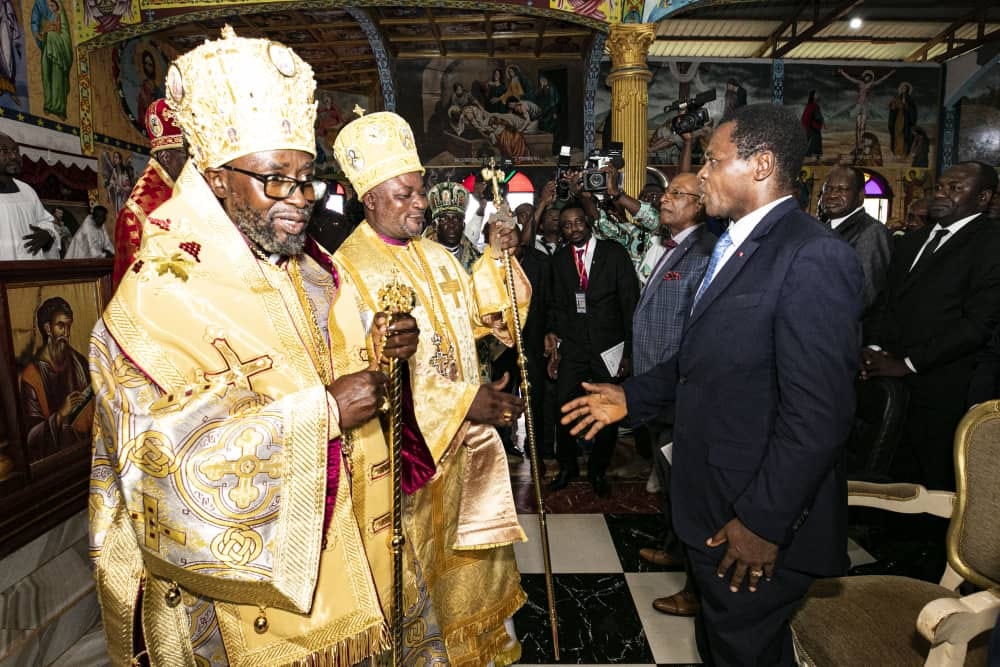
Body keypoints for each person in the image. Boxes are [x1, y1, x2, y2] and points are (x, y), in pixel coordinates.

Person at [89, 28, 427, 666]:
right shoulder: (152, 300)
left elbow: (343, 371)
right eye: (277, 180)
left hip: (349, 555)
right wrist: (319, 415)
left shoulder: (314, 270)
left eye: (306, 180)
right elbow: (150, 463)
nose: (300, 201)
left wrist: (383, 352)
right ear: (216, 180)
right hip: (236, 609)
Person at [561, 104, 863, 665]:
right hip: (716, 500)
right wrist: (633, 396)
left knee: (744, 650)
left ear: (762, 164)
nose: (700, 175)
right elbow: (703, 362)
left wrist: (763, 524)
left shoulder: (812, 256)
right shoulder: (732, 243)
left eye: (712, 160)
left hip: (754, 519)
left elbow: (819, 416)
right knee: (721, 644)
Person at [332, 110, 529, 666]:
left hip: (464, 453)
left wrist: (497, 256)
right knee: (416, 581)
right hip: (408, 464)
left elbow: (484, 323)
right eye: (406, 193)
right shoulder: (347, 270)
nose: (421, 203)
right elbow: (364, 372)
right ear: (369, 198)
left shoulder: (437, 257)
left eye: (420, 192)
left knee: (468, 572)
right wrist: (466, 401)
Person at [862, 161, 1000, 492]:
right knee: (891, 473)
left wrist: (908, 363)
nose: (942, 193)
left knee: (935, 480)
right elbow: (886, 301)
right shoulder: (912, 241)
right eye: (940, 186)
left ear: (983, 198)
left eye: (956, 188)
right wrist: (875, 349)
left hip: (946, 381)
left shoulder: (991, 244)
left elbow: (977, 325)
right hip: (891, 376)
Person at [632, 171, 716, 617]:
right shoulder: (675, 245)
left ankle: (697, 587)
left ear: (700, 204)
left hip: (678, 388)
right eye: (666, 193)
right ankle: (675, 545)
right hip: (659, 387)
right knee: (669, 481)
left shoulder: (704, 252)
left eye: (676, 194)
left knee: (688, 486)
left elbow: (693, 331)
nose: (664, 199)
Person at [545, 203, 639, 497]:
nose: (573, 229)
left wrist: (629, 351)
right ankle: (567, 466)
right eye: (567, 225)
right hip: (573, 348)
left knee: (606, 410)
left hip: (608, 348)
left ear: (588, 223)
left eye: (578, 223)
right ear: (561, 230)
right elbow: (556, 305)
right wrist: (555, 344)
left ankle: (598, 471)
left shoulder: (614, 254)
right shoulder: (559, 260)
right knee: (564, 407)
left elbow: (629, 302)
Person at [112, 98, 187, 285]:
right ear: (165, 156)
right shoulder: (135, 215)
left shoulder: (187, 191)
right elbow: (132, 287)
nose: (192, 164)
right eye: (186, 156)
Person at [20, 297, 92, 461]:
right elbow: (31, 438)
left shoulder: (79, 363)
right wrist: (60, 414)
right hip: (55, 463)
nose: (66, 333)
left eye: (69, 326)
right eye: (61, 326)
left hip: (84, 454)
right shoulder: (32, 376)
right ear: (47, 328)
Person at [817, 166, 892, 314]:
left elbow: (865, 295)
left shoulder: (871, 232)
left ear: (860, 196)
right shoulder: (821, 228)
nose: (832, 195)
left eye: (842, 189)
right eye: (828, 189)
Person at [0, 132, 61, 259]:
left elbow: (45, 221)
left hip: (31, 273)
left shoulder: (27, 190)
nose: (13, 156)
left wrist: (47, 234)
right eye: (4, 151)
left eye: (16, 151)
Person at [888, 82, 918, 159]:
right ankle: (897, 152)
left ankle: (904, 153)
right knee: (897, 135)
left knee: (905, 136)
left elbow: (913, 111)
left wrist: (906, 106)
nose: (903, 89)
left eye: (905, 88)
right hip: (898, 120)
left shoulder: (910, 100)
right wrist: (893, 106)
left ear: (908, 90)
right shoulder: (897, 98)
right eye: (902, 88)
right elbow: (893, 108)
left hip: (906, 120)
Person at [801, 90, 823, 161]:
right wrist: (820, 120)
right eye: (816, 95)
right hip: (812, 127)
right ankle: (812, 155)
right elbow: (817, 116)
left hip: (810, 126)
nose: (818, 96)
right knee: (815, 141)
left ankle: (814, 155)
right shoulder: (814, 106)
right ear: (813, 97)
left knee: (813, 140)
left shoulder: (810, 105)